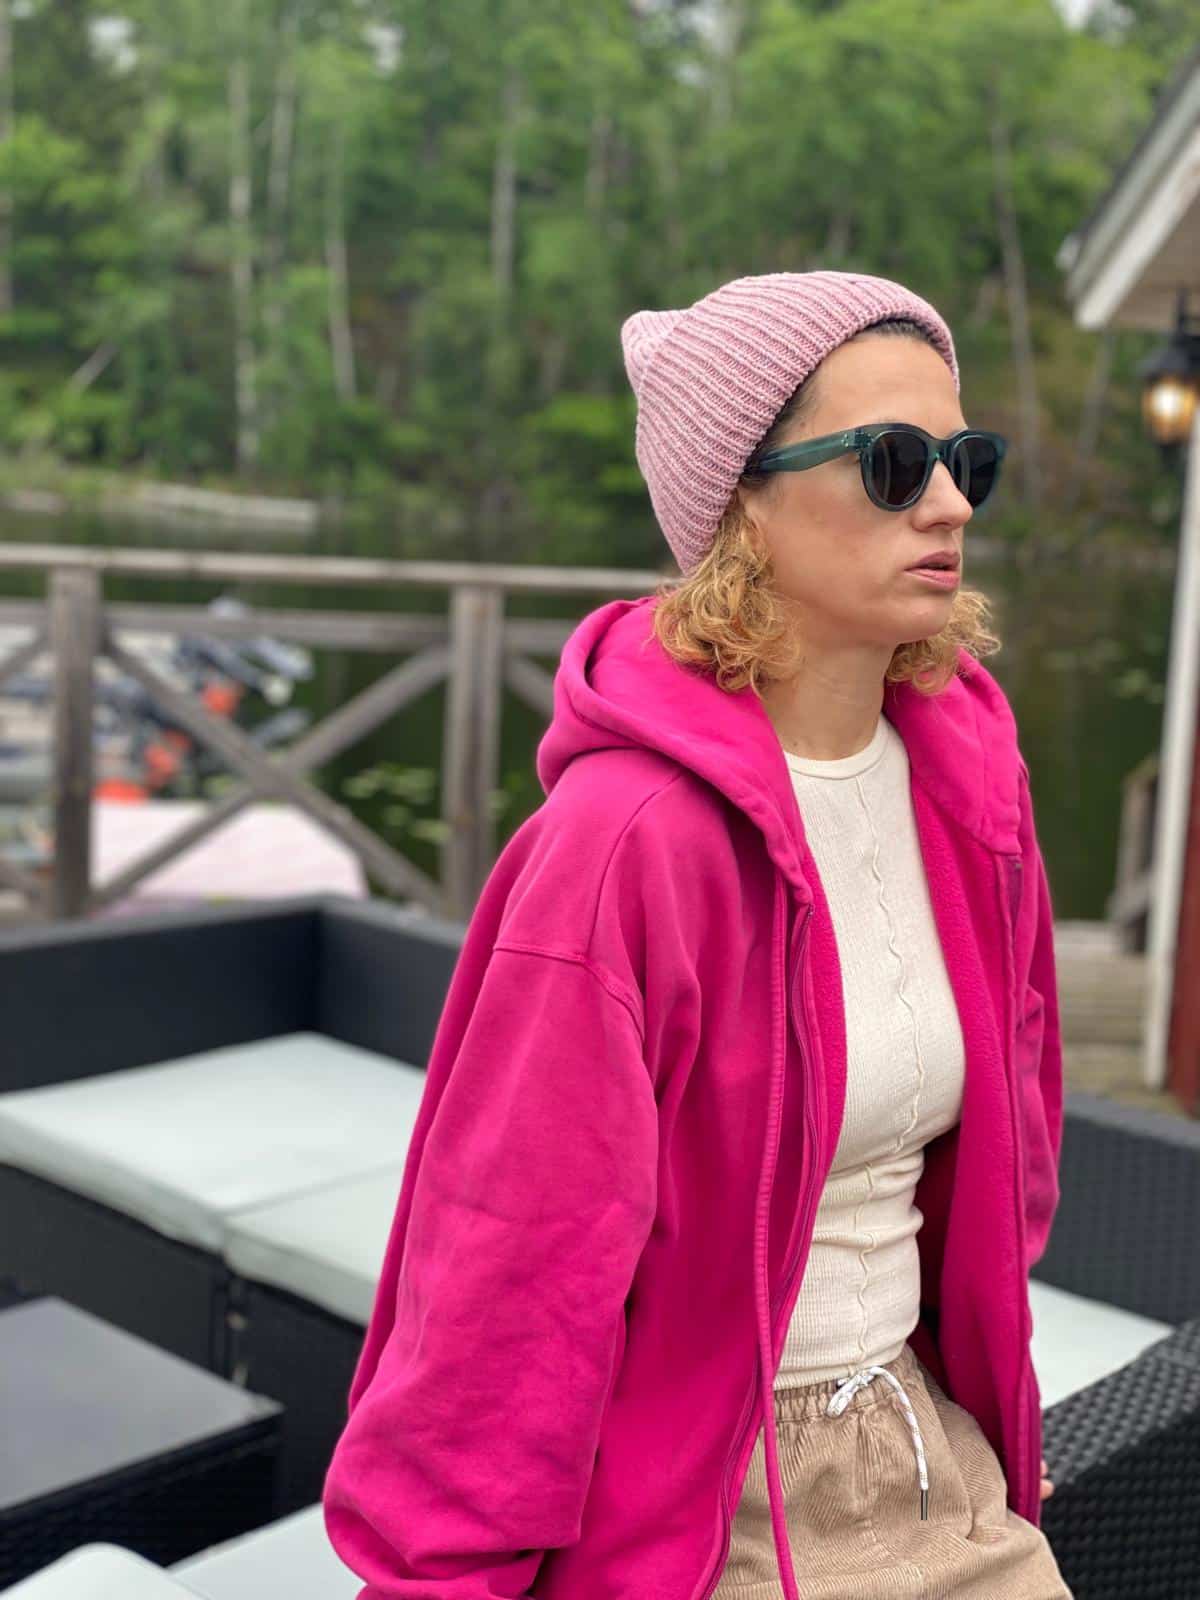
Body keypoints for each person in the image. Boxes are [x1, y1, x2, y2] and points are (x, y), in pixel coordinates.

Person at [322, 270, 1071, 1600]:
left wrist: (995, 1406)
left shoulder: (969, 784)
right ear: (742, 505)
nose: (952, 505)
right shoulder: (624, 847)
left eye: (966, 462)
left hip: (931, 1448)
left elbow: (1011, 1159)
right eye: (894, 464)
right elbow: (508, 1278)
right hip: (706, 1504)